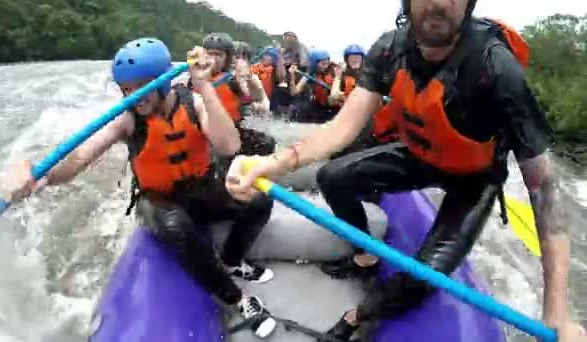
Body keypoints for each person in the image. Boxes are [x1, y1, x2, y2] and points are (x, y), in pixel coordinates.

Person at [223, 0, 587, 340]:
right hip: (421, 155)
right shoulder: (389, 50)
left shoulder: (495, 67)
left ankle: (357, 317)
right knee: (332, 177)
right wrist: (272, 165)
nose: (440, 3)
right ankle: (364, 255)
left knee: (427, 274)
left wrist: (556, 310)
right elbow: (340, 129)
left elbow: (545, 191)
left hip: (472, 180)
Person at [0, 38, 278, 338]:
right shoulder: (127, 120)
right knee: (175, 225)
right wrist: (38, 176)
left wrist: (206, 86)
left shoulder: (194, 102)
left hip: (202, 188)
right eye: (126, 89)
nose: (134, 97)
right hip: (159, 201)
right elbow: (79, 157)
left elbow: (230, 145)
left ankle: (232, 262)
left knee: (260, 201)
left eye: (141, 86)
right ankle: (236, 299)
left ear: (164, 83)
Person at [201, 33, 276, 158]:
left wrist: (249, 77)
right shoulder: (193, 77)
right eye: (210, 53)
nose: (213, 58)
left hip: (230, 132)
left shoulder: (235, 80)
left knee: (267, 143)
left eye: (219, 55)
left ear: (227, 58)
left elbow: (255, 96)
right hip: (203, 132)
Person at [289, 49, 342, 123]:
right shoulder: (310, 74)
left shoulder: (335, 70)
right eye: (323, 64)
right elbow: (294, 92)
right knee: (297, 110)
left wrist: (338, 76)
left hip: (335, 106)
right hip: (320, 106)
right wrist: (292, 75)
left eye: (327, 63)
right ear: (314, 63)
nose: (326, 66)